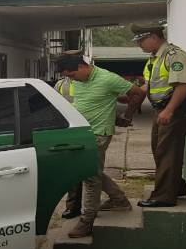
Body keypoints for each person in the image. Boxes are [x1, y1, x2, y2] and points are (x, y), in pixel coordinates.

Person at [56, 54, 147, 238]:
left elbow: (138, 93)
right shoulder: (80, 80)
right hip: (81, 132)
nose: (72, 80)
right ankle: (119, 200)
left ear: (82, 66)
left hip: (99, 133)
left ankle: (87, 220)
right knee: (89, 170)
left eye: (73, 75)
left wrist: (127, 116)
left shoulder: (107, 78)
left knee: (90, 177)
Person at [122, 22, 186, 208]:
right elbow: (149, 86)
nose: (139, 45)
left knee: (167, 151)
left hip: (175, 110)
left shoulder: (174, 56)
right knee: (159, 149)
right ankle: (177, 187)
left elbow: (183, 85)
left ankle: (163, 197)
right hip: (161, 109)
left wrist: (169, 110)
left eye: (141, 40)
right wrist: (129, 94)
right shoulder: (154, 59)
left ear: (154, 37)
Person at [53, 50, 82, 219]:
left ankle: (73, 206)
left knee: (80, 172)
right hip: (68, 131)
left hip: (82, 131)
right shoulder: (60, 84)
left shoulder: (86, 81)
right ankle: (117, 197)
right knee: (82, 171)